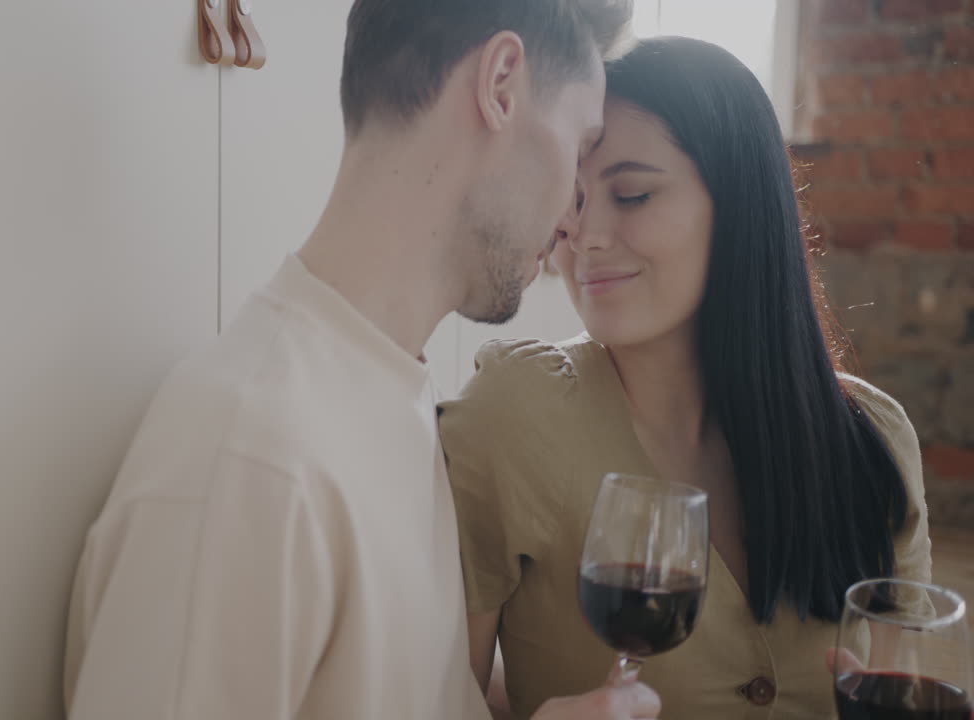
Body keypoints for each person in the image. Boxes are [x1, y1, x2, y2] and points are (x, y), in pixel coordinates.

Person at [62, 2, 660, 719]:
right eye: (579, 143)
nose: (573, 215)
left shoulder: (386, 392)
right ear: (501, 84)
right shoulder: (250, 462)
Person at [438, 36, 935, 720]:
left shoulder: (872, 440)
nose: (586, 235)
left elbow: (899, 684)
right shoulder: (511, 420)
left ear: (741, 205)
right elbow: (430, 698)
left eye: (633, 195)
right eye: (573, 200)